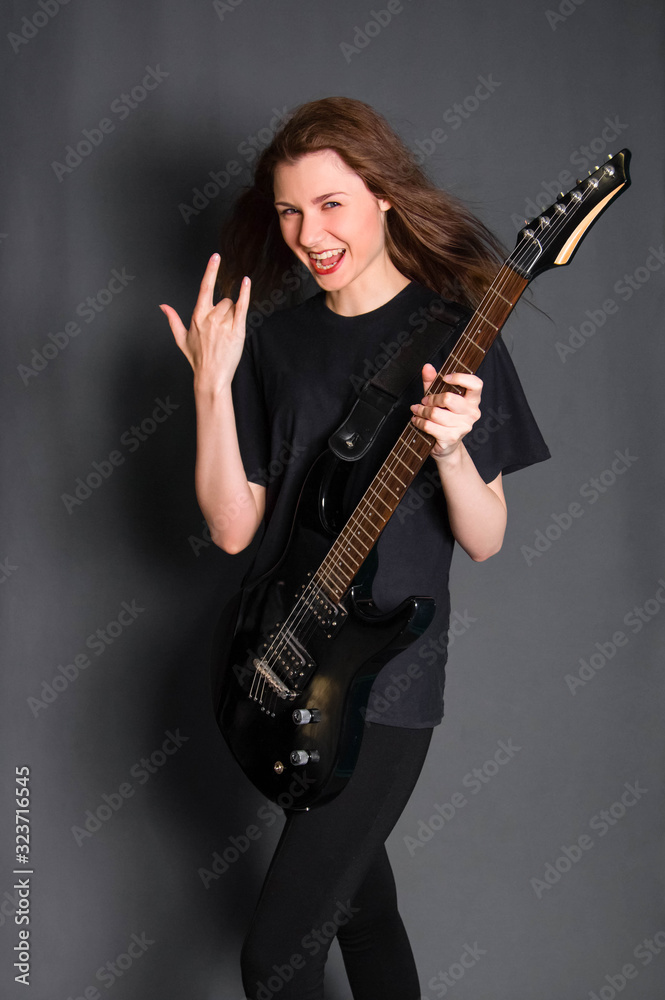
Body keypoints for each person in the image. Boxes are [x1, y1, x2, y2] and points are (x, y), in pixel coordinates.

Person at [160, 96, 550, 1000]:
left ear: (383, 198)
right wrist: (212, 390)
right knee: (363, 915)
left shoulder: (461, 332)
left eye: (332, 204)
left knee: (276, 956)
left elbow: (485, 540)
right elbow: (231, 529)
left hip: (387, 683)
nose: (309, 232)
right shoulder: (276, 345)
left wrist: (452, 446)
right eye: (291, 210)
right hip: (273, 661)